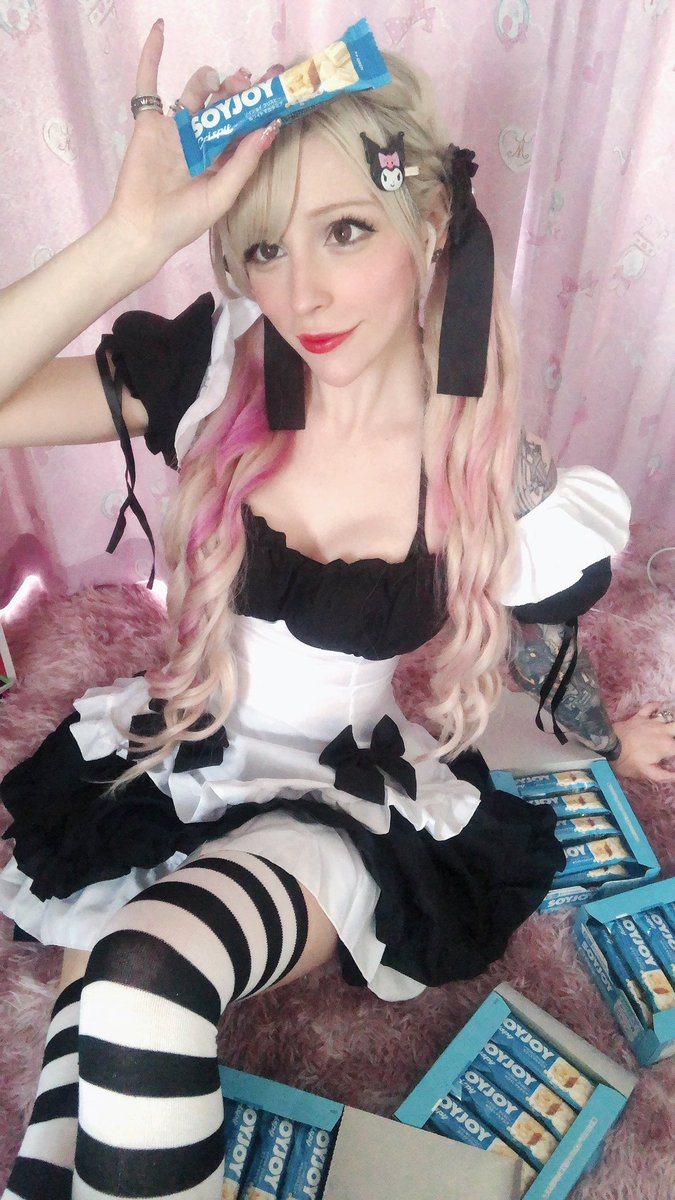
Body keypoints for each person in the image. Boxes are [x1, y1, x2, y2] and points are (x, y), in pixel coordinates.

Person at [0, 19, 673, 1200]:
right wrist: (129, 240)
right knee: (69, 1109)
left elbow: (543, 638)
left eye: (346, 230)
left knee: (142, 974)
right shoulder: (220, 376)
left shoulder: (481, 468)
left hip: (336, 804)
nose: (299, 290)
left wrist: (607, 738)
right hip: (169, 760)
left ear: (431, 221)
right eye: (263, 246)